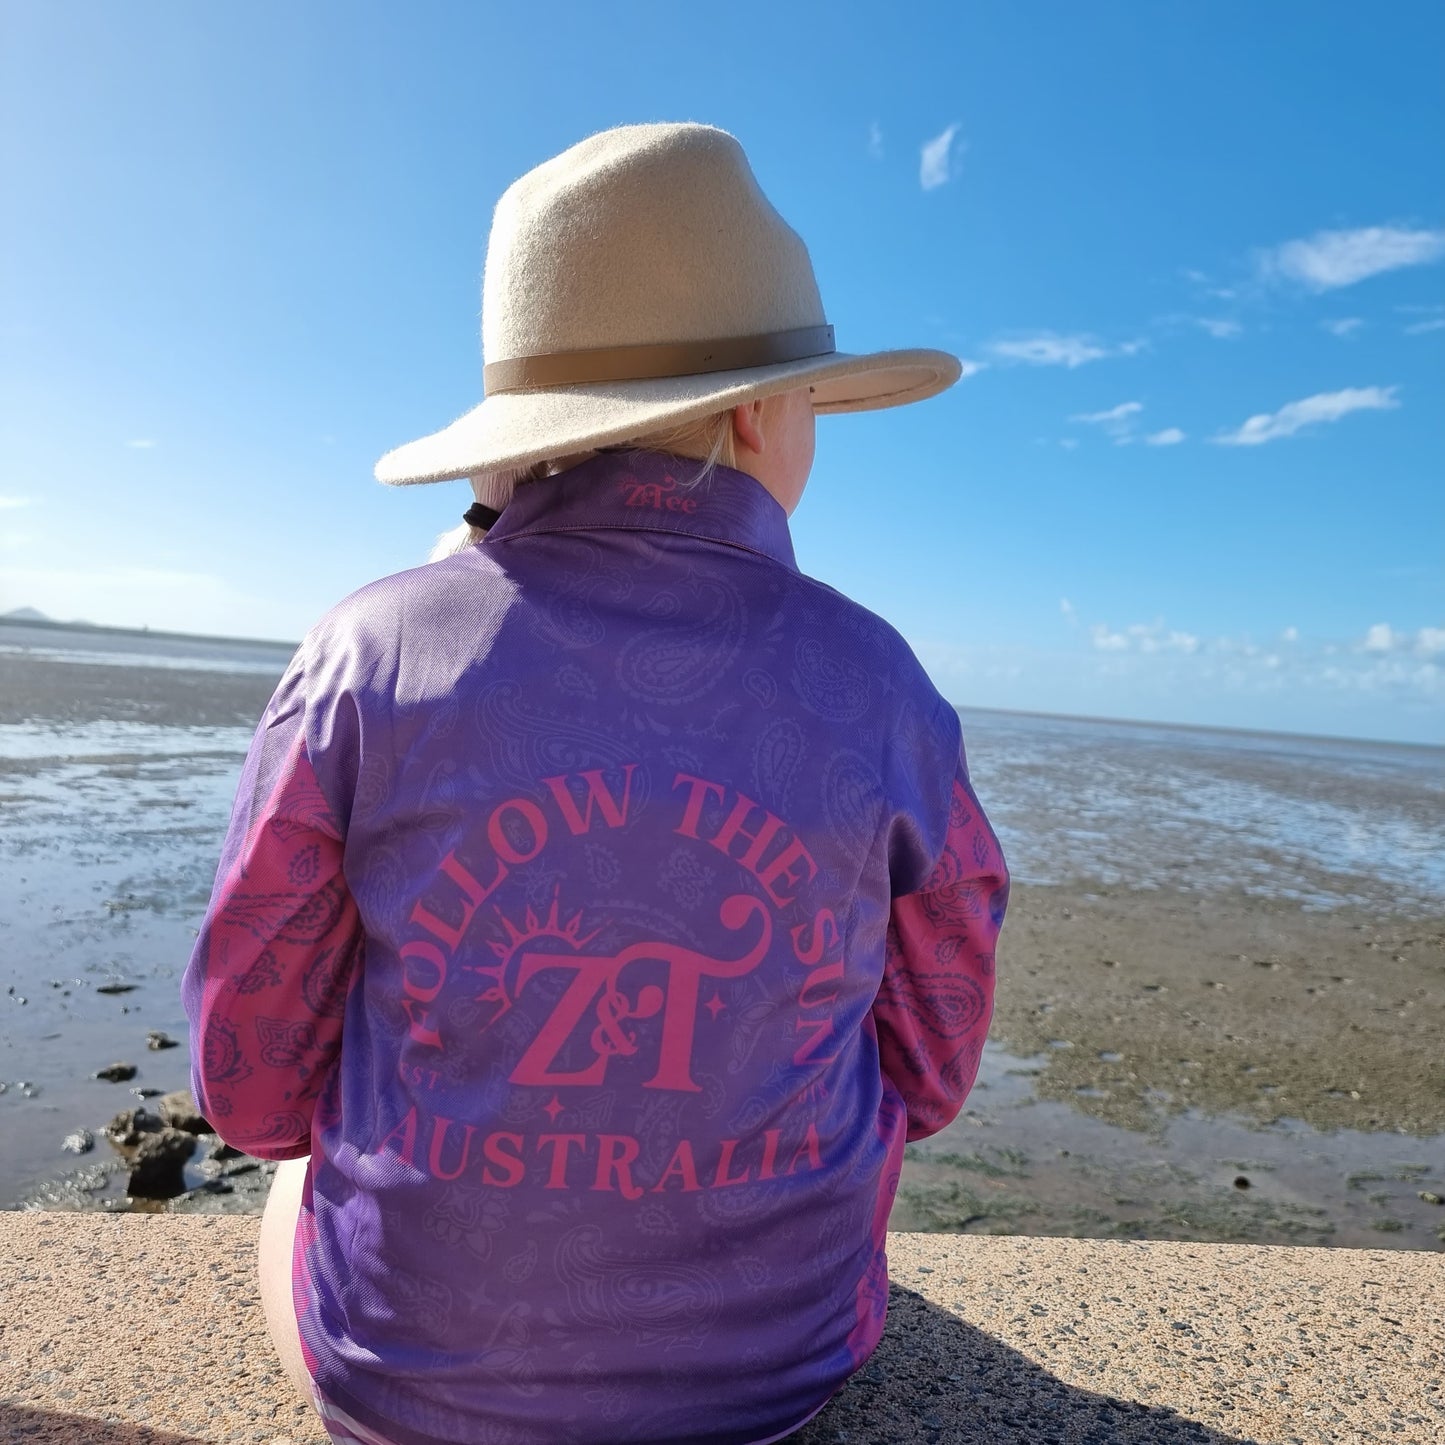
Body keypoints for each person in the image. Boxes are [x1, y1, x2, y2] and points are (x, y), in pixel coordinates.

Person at [183, 122, 1008, 1445]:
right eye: (808, 398)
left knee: (292, 1187)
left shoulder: (367, 651)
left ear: (524, 438)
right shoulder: (884, 684)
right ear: (756, 411)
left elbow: (254, 1089)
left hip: (409, 1402)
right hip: (772, 1393)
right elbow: (927, 1070)